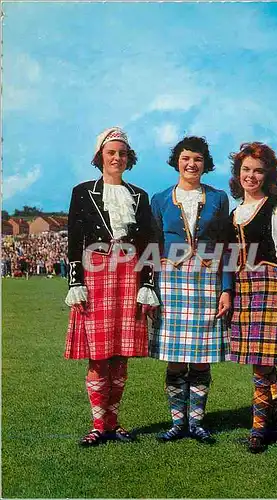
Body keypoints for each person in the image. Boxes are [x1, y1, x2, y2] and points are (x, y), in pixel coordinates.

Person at [65, 127, 158, 447]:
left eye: (122, 153)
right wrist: (75, 281)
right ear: (100, 157)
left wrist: (148, 283)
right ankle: (97, 425)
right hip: (95, 275)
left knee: (121, 357)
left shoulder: (140, 196)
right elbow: (75, 240)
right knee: (98, 356)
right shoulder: (82, 192)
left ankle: (114, 423)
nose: (117, 158)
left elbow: (149, 244)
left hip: (130, 275)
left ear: (129, 158)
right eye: (111, 153)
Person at [226, 142, 277, 453]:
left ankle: (259, 428)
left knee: (261, 364)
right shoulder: (234, 213)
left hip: (269, 287)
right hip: (244, 288)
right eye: (246, 169)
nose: (251, 175)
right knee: (263, 364)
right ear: (238, 174)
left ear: (268, 175)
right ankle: (272, 425)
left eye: (258, 170)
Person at [149, 136, 231, 444]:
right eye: (185, 158)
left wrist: (226, 288)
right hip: (170, 282)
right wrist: (151, 288)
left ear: (205, 164)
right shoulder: (160, 199)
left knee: (200, 357)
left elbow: (225, 247)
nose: (191, 164)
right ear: (177, 161)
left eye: (197, 159)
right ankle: (176, 422)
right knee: (174, 357)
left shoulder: (218, 198)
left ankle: (197, 422)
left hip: (207, 281)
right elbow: (153, 247)